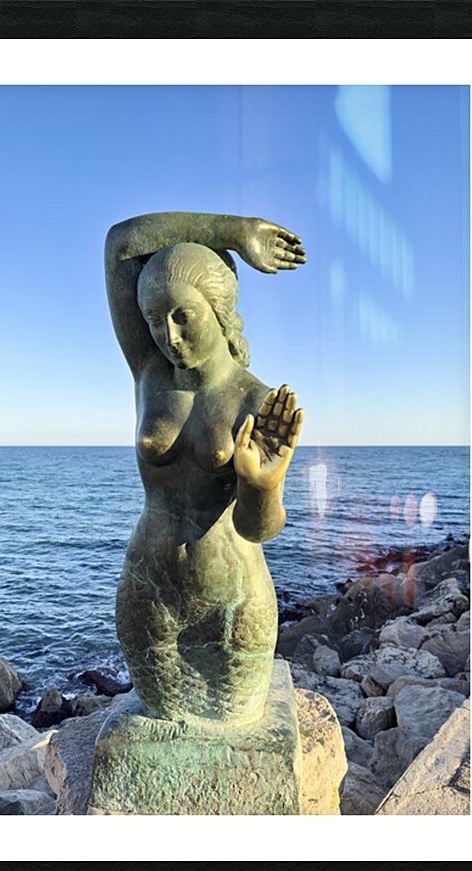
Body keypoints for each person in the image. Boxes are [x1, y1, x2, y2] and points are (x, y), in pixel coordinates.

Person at [104, 212, 306, 725]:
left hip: (234, 607)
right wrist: (231, 232)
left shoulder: (257, 399)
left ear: (217, 310)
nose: (167, 336)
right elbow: (121, 245)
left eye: (182, 316)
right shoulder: (149, 372)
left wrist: (265, 487)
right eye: (153, 320)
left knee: (237, 740)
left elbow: (257, 528)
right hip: (147, 593)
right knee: (152, 738)